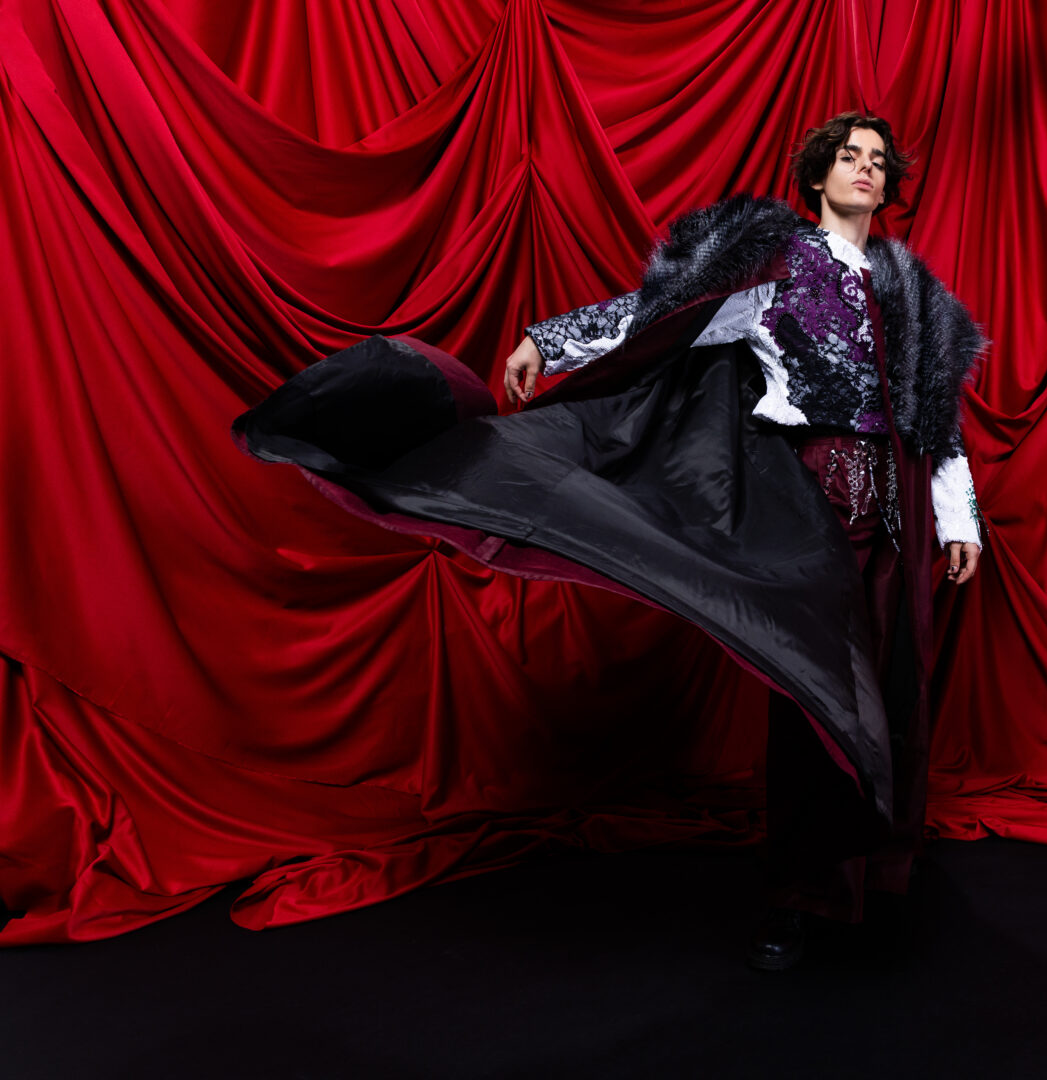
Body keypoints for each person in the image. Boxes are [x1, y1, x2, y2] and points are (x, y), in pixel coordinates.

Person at [233, 112, 984, 971]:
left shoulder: (909, 290)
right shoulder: (775, 265)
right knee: (817, 696)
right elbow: (663, 315)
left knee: (893, 691)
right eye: (849, 156)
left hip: (895, 511)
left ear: (888, 188)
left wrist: (956, 516)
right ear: (818, 175)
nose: (864, 169)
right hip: (802, 504)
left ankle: (876, 881)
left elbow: (936, 411)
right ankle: (803, 896)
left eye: (878, 161)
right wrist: (548, 341)